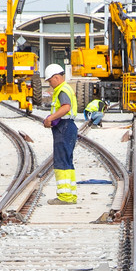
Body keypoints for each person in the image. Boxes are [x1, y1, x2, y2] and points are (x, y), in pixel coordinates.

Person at [43, 63, 79, 205]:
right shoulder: (65, 89)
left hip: (63, 127)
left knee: (61, 161)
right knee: (67, 161)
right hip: (67, 127)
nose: (50, 84)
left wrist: (50, 118)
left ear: (56, 77)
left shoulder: (62, 90)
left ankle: (64, 197)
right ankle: (71, 195)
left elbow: (66, 107)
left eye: (50, 80)